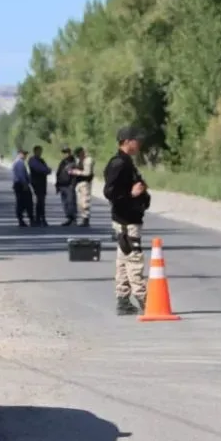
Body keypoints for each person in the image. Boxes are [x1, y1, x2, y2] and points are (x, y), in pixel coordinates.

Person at [103, 126, 151, 315]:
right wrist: (131, 194)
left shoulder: (126, 162)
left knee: (123, 261)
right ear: (126, 141)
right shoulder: (119, 164)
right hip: (127, 221)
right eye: (136, 140)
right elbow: (110, 192)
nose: (139, 143)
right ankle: (144, 300)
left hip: (126, 219)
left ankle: (123, 300)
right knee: (134, 260)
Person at [27, 145, 52, 226]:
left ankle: (41, 218)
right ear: (35, 151)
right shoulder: (32, 160)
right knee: (40, 201)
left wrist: (47, 170)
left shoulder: (41, 160)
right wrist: (46, 170)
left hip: (42, 183)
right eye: (39, 151)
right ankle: (40, 219)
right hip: (37, 183)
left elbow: (47, 169)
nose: (40, 153)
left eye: (41, 151)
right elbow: (40, 169)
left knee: (41, 201)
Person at [70, 146, 94, 227]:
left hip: (85, 182)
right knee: (79, 202)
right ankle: (83, 217)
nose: (77, 156)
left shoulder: (88, 160)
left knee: (85, 202)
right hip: (78, 183)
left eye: (78, 154)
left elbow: (88, 173)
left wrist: (77, 172)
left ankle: (86, 219)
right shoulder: (78, 159)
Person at [55, 146, 78, 226]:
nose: (65, 154)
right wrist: (57, 185)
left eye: (66, 152)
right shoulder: (62, 162)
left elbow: (75, 175)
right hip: (62, 185)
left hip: (69, 185)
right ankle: (69, 218)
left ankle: (73, 219)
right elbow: (58, 173)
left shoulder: (73, 162)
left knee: (70, 202)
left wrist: (73, 185)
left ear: (69, 152)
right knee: (65, 203)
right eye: (64, 152)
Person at [11, 149, 34, 227]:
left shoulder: (17, 162)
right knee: (26, 202)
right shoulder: (19, 163)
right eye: (24, 154)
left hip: (19, 184)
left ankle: (22, 219)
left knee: (21, 202)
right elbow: (21, 175)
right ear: (19, 154)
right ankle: (27, 219)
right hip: (21, 185)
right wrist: (25, 184)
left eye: (25, 154)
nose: (25, 156)